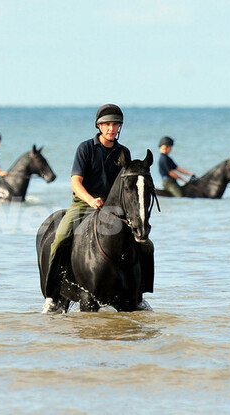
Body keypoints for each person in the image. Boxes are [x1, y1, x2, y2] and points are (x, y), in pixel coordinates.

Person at [44, 104, 154, 313]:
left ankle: (139, 296)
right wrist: (90, 200)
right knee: (60, 239)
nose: (111, 128)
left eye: (115, 124)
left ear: (120, 127)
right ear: (99, 126)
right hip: (84, 203)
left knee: (146, 245)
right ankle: (53, 297)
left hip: (114, 208)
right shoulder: (85, 148)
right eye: (107, 124)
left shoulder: (124, 152)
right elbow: (75, 182)